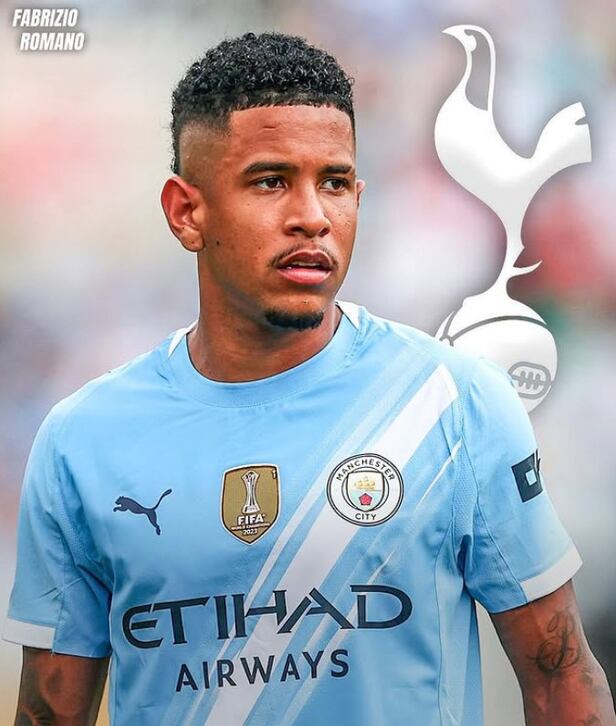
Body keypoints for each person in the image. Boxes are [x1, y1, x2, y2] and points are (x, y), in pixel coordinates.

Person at [4, 31, 614, 726]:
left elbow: (561, 681)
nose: (313, 218)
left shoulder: (454, 403)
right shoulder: (83, 442)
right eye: (270, 181)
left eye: (334, 183)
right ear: (186, 212)